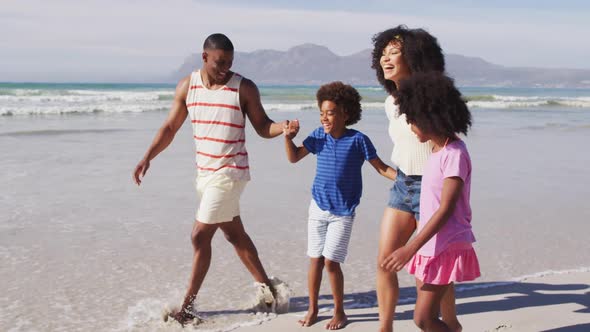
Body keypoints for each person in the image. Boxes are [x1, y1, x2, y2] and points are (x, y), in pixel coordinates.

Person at [132, 33, 288, 325]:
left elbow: (263, 126)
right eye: (219, 62)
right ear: (204, 57)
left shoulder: (244, 88)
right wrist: (147, 157)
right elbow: (170, 127)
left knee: (199, 235)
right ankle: (270, 292)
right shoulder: (187, 86)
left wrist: (284, 127)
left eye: (229, 63)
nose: (224, 68)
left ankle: (187, 307)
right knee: (234, 235)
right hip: (205, 174)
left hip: (231, 173)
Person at [283, 81, 396, 330]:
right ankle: (313, 308)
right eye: (322, 112)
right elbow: (293, 158)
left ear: (346, 113)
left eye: (331, 112)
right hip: (318, 207)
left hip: (343, 212)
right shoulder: (317, 137)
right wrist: (288, 139)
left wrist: (405, 178)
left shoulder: (358, 140)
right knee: (315, 260)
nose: (324, 117)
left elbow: (381, 168)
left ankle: (340, 312)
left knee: (331, 263)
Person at [371, 25, 462, 332]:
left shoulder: (433, 99)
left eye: (394, 52)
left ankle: (449, 324)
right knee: (385, 261)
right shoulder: (389, 103)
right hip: (402, 185)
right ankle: (385, 328)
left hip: (432, 189)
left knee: (429, 272)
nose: (386, 58)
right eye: (382, 53)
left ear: (414, 56)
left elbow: (449, 148)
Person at [381, 72, 480, 332]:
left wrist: (409, 248)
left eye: (413, 121)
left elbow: (446, 208)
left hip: (444, 244)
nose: (411, 127)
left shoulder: (454, 154)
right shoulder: (436, 151)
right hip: (433, 244)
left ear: (432, 118)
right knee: (432, 318)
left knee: (423, 318)